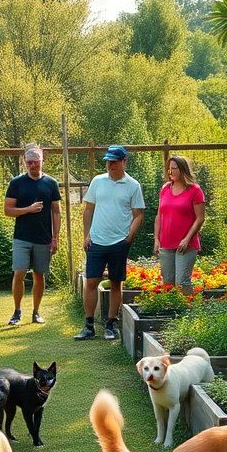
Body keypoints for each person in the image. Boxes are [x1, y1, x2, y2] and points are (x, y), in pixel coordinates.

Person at [76, 145, 144, 341]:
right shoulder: (98, 181)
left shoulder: (133, 185)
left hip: (119, 242)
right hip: (96, 241)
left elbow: (138, 214)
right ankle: (89, 326)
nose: (110, 166)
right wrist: (86, 235)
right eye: (108, 162)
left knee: (115, 282)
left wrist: (129, 236)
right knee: (91, 281)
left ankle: (110, 325)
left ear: (124, 162)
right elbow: (88, 209)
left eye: (114, 162)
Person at [3, 145, 61, 325]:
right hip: (22, 237)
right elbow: (7, 210)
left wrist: (55, 238)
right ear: (24, 163)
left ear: (42, 161)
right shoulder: (17, 183)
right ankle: (17, 311)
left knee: (39, 275)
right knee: (19, 272)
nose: (33, 165)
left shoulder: (51, 183)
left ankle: (36, 312)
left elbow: (56, 212)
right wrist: (28, 209)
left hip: (43, 238)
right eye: (29, 162)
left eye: (36, 162)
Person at [152, 155, 205, 293]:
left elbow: (200, 218)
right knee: (168, 283)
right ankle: (171, 307)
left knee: (182, 282)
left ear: (183, 169)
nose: (171, 172)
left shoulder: (195, 190)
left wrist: (186, 240)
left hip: (186, 245)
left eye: (174, 168)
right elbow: (159, 215)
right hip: (166, 243)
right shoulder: (165, 188)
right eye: (169, 169)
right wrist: (156, 239)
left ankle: (188, 306)